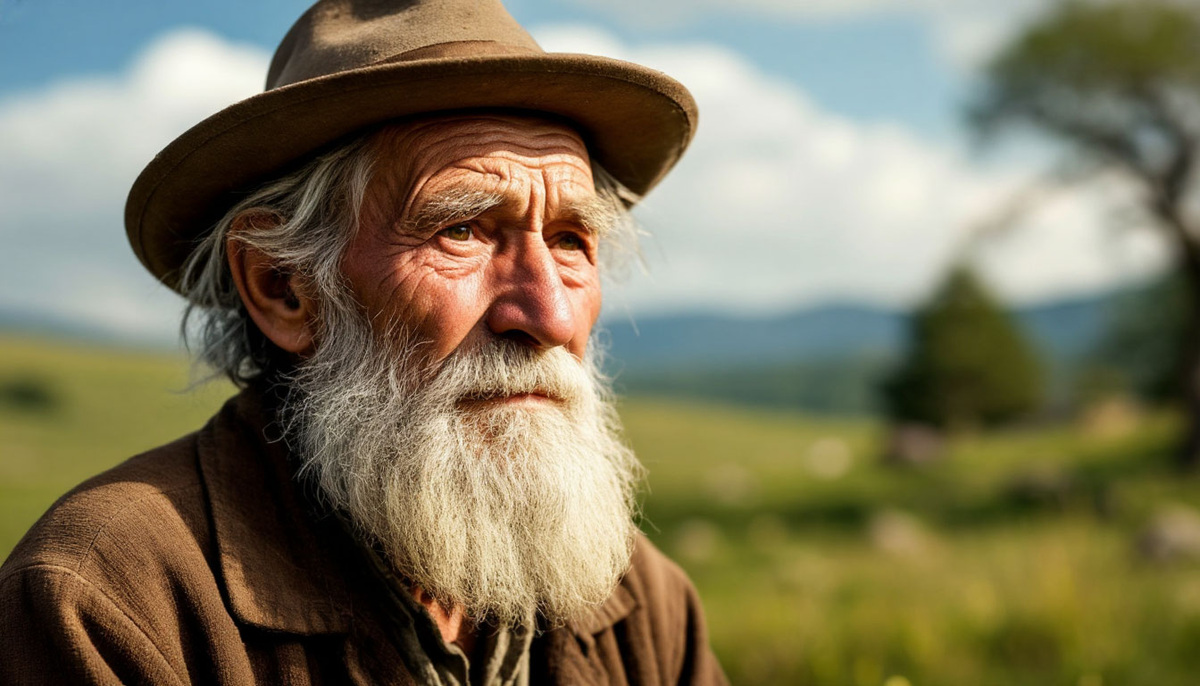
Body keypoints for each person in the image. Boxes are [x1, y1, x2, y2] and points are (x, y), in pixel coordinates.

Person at [0, 0, 727, 684]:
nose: (550, 315)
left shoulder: (640, 601)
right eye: (462, 229)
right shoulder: (108, 601)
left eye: (571, 240)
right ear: (283, 288)